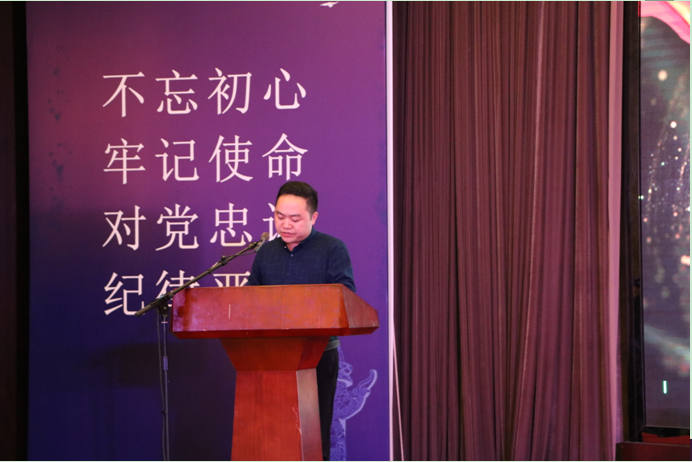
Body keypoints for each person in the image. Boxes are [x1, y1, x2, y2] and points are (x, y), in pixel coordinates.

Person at [247, 180, 355, 461]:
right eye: (279, 216)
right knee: (273, 435)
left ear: (313, 217)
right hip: (271, 356)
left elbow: (344, 297)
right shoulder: (266, 252)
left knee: (313, 435)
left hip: (317, 354)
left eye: (295, 218)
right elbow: (249, 299)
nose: (285, 225)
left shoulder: (332, 249)